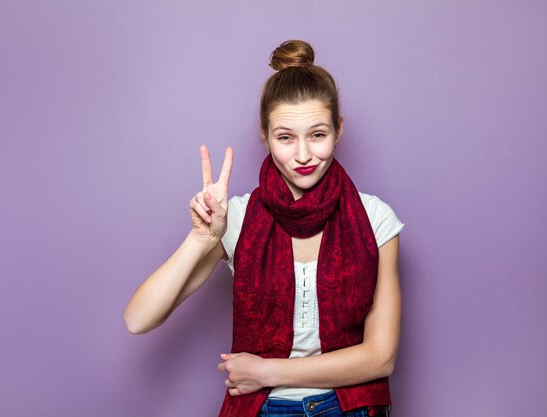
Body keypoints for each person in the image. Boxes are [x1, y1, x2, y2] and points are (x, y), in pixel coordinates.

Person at [123, 39, 404, 417]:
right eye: (285, 137)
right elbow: (138, 319)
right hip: (263, 410)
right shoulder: (237, 218)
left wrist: (266, 371)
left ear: (338, 129)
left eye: (317, 135)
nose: (303, 155)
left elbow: (381, 357)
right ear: (264, 134)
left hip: (350, 408)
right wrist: (202, 237)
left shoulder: (375, 218)